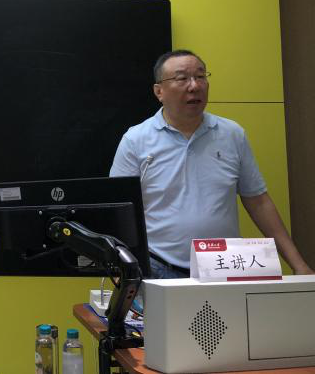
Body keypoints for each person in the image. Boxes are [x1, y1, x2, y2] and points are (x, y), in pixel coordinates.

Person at [110, 49, 313, 279]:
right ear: (159, 91)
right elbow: (119, 209)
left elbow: (258, 201)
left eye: (200, 76)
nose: (194, 86)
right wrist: (120, 269)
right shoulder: (136, 140)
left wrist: (299, 264)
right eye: (182, 78)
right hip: (158, 267)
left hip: (224, 265)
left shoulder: (231, 134)